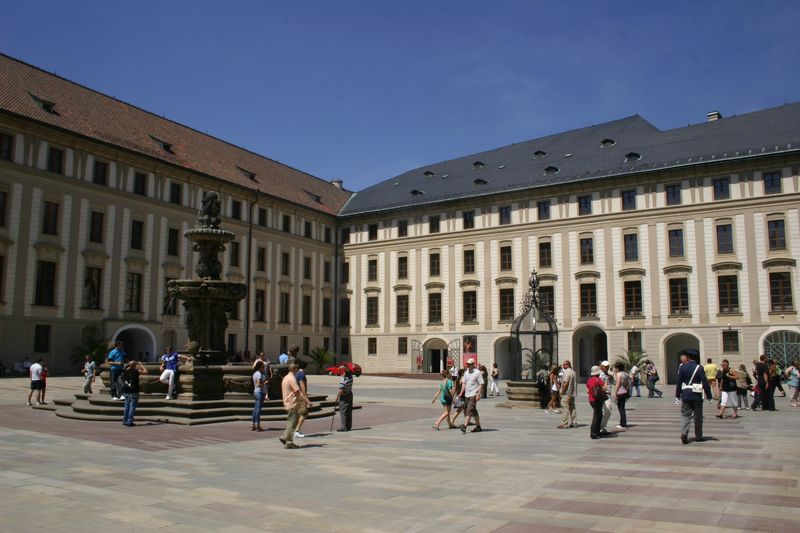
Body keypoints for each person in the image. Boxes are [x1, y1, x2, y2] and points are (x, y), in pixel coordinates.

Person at [676, 351, 712, 444]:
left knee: (685, 415)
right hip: (697, 395)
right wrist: (709, 396)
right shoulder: (699, 367)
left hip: (686, 394)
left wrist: (677, 395)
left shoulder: (682, 367)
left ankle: (684, 433)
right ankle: (698, 436)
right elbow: (705, 382)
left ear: (688, 357)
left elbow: (679, 382)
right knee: (698, 417)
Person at [279, 360, 312, 449]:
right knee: (292, 424)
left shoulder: (286, 378)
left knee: (291, 422)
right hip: (292, 403)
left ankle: (287, 441)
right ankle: (287, 440)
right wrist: (307, 401)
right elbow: (298, 392)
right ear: (295, 370)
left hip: (287, 402)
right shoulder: (292, 379)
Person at [459, 358, 484, 433]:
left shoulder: (477, 372)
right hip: (467, 394)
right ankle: (478, 427)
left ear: (473, 365)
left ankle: (464, 426)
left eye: (469, 364)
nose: (468, 365)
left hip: (474, 394)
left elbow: (481, 384)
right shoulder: (466, 372)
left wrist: (478, 394)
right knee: (473, 411)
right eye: (467, 364)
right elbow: (464, 383)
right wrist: (461, 393)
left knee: (469, 410)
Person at [122, 360, 148, 427]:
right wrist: (141, 365)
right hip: (134, 391)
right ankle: (129, 421)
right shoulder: (136, 371)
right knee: (132, 406)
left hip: (126, 390)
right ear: (135, 365)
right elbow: (146, 371)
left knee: (127, 406)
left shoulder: (125, 371)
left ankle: (125, 420)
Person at [586, 366, 606, 439]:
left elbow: (587, 390)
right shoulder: (598, 380)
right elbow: (604, 388)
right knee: (597, 416)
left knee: (598, 414)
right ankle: (594, 433)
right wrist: (606, 384)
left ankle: (597, 432)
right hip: (598, 399)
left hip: (591, 399)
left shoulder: (589, 380)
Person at [557, 360, 577, 429]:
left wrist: (562, 392)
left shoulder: (567, 372)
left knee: (565, 408)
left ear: (568, 365)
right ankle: (574, 422)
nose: (563, 366)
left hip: (566, 393)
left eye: (564, 364)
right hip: (572, 393)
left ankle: (564, 423)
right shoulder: (573, 372)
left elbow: (565, 383)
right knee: (572, 408)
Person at [335, 366, 354, 432]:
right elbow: (349, 371)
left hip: (344, 396)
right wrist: (343, 367)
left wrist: (337, 397)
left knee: (343, 412)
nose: (343, 373)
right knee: (349, 411)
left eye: (344, 372)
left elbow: (341, 391)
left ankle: (344, 427)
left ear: (345, 374)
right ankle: (348, 426)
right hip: (350, 394)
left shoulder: (344, 381)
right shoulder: (351, 378)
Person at [613, 362, 630, 429]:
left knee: (621, 409)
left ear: (617, 368)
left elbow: (618, 384)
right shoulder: (625, 374)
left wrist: (615, 393)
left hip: (620, 392)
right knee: (622, 408)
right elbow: (627, 383)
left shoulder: (619, 374)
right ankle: (623, 423)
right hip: (624, 391)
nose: (614, 369)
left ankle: (623, 424)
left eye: (615, 368)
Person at [598, 360, 614, 433]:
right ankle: (601, 427)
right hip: (603, 394)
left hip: (608, 394)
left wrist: (611, 378)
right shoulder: (600, 374)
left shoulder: (608, 374)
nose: (607, 368)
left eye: (608, 366)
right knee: (606, 410)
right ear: (602, 367)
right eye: (605, 366)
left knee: (607, 410)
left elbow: (613, 382)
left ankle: (603, 427)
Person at [294, 362, 309, 438]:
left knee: (299, 413)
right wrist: (306, 397)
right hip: (301, 396)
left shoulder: (297, 373)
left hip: (297, 395)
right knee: (304, 413)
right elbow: (302, 386)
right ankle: (297, 431)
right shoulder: (301, 374)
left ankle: (297, 430)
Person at [251, 360, 266, 431]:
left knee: (255, 409)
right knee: (258, 410)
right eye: (263, 367)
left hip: (255, 392)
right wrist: (264, 383)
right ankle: (258, 425)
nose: (264, 368)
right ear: (260, 367)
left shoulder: (255, 373)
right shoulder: (259, 374)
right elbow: (258, 384)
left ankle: (253, 424)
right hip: (259, 392)